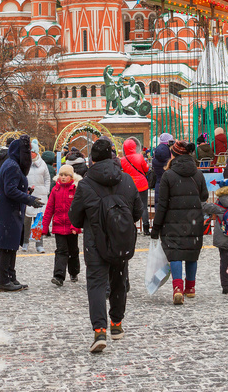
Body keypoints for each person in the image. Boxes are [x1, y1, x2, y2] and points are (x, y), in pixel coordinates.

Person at [69, 138, 143, 353]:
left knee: (96, 284)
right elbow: (138, 212)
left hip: (95, 242)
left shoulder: (85, 184)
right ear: (113, 156)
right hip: (121, 239)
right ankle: (117, 325)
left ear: (92, 159)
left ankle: (99, 330)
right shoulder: (127, 180)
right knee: (119, 280)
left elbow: (74, 218)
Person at [151, 140, 208, 304]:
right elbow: (204, 196)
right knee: (191, 252)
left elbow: (162, 204)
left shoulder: (168, 175)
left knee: (175, 253)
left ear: (173, 155)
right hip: (193, 219)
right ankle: (190, 288)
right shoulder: (198, 173)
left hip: (172, 221)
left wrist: (156, 227)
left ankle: (177, 288)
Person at [0, 135, 44, 292]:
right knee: (7, 247)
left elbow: (11, 187)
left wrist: (25, 192)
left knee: (11, 246)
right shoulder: (12, 165)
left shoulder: (12, 164)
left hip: (10, 210)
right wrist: (29, 198)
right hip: (7, 211)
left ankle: (10, 277)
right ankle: (4, 281)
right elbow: (10, 190)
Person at [43, 163, 82, 286]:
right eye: (61, 175)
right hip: (58, 226)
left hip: (72, 227)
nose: (63, 177)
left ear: (72, 177)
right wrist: (44, 227)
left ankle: (74, 272)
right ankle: (58, 276)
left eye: (66, 175)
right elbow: (49, 209)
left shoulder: (76, 189)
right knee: (61, 251)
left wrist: (76, 226)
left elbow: (78, 210)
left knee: (73, 251)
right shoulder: (55, 190)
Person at [22, 139, 51, 253]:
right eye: (30, 151)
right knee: (27, 219)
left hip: (40, 194)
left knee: (38, 220)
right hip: (28, 193)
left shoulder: (42, 164)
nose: (31, 154)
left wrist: (46, 190)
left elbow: (47, 178)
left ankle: (39, 243)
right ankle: (25, 242)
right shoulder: (25, 163)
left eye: (33, 151)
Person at [119, 137, 151, 235]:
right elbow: (146, 169)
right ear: (135, 146)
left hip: (130, 185)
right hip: (142, 185)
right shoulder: (140, 157)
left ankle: (131, 228)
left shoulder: (123, 160)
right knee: (144, 207)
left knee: (129, 206)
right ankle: (146, 228)